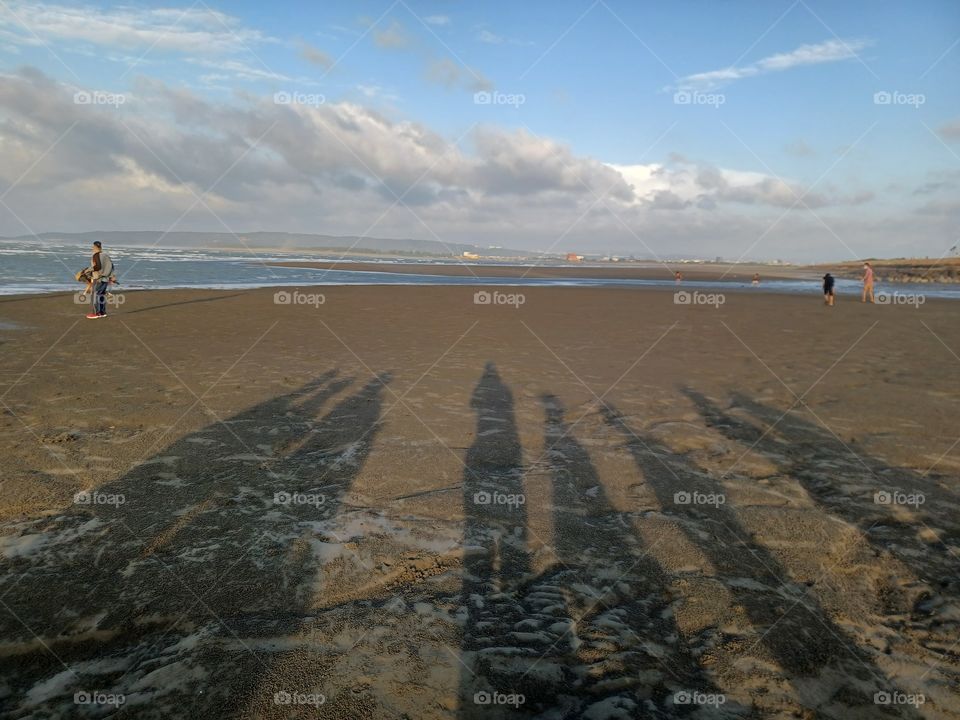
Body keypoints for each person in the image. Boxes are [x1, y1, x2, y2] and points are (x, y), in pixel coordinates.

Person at [85, 241, 114, 319]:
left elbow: (97, 266)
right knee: (101, 295)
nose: (92, 248)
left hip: (98, 279)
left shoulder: (96, 255)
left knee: (95, 295)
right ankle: (102, 312)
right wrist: (111, 277)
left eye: (93, 247)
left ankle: (96, 313)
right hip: (106, 279)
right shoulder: (106, 256)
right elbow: (112, 267)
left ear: (95, 247)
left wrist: (88, 270)